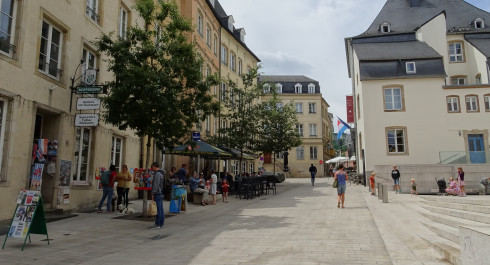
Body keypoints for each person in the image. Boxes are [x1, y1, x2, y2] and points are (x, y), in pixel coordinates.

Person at [150, 162, 165, 229]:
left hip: (158, 193)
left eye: (152, 167)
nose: (152, 168)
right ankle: (161, 223)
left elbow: (156, 184)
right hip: (160, 192)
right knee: (160, 209)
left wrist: (153, 193)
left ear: (155, 166)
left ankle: (158, 224)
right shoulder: (161, 173)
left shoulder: (157, 174)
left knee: (158, 209)